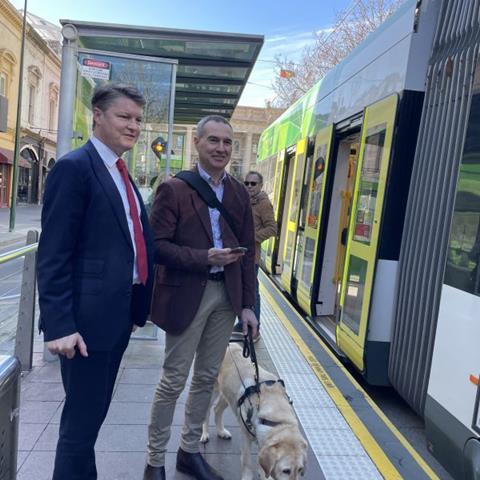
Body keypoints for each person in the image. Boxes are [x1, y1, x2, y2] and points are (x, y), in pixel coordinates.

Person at [37, 82, 154, 480]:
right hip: (84, 327)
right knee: (80, 427)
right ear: (97, 116)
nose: (134, 126)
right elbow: (53, 253)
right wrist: (61, 325)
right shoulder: (75, 168)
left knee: (89, 424)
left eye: (138, 119)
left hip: (116, 319)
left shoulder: (122, 174)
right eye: (125, 117)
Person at [144, 115, 258, 480]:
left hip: (226, 296)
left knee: (207, 376)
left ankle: (189, 452)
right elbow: (156, 247)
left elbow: (249, 253)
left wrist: (248, 306)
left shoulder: (239, 192)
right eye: (213, 140)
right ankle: (155, 460)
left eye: (227, 142)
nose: (221, 148)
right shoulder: (174, 189)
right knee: (173, 379)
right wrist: (203, 257)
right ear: (197, 142)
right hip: (187, 295)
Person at [232, 170, 277, 341]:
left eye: (253, 183)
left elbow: (272, 228)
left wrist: (251, 239)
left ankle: (254, 326)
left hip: (252, 255)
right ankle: (243, 322)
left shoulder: (263, 203)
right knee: (241, 288)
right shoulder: (244, 200)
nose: (249, 186)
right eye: (247, 183)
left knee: (252, 290)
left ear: (260, 185)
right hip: (240, 254)